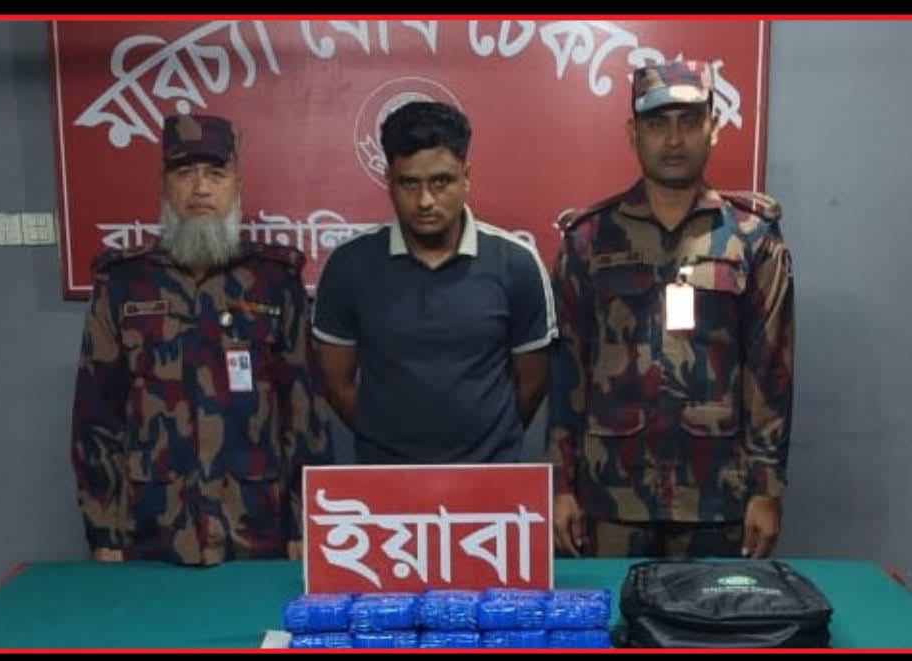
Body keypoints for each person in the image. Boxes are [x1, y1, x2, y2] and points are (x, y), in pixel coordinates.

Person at [546, 61, 795, 559]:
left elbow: (771, 371)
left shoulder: (751, 237)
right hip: (611, 494)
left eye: (689, 122)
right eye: (657, 124)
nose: (674, 140)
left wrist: (767, 490)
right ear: (633, 133)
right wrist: (560, 484)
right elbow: (567, 370)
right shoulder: (589, 238)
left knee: (716, 612)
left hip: (720, 497)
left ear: (713, 129)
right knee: (615, 610)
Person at [70, 113, 331, 565]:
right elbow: (96, 416)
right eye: (185, 173)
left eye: (215, 173)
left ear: (237, 185)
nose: (201, 188)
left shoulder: (274, 281)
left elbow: (304, 414)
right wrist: (104, 529)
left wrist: (305, 522)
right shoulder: (123, 283)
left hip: (258, 531)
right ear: (164, 185)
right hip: (150, 531)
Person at [311, 101, 556, 464]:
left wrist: (486, 448)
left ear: (466, 176)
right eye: (409, 183)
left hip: (493, 478)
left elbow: (533, 384)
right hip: (383, 478)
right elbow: (336, 384)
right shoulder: (349, 265)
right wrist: (389, 444)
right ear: (388, 181)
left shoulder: (516, 263)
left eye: (441, 182)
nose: (425, 201)